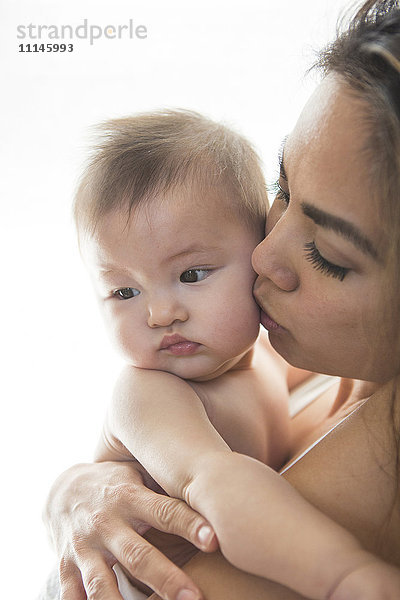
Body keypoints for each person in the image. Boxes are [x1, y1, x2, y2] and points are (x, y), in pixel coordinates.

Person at [42, 1, 400, 599]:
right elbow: (219, 481)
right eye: (282, 191)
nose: (264, 255)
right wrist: (66, 494)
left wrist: (350, 576)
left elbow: (229, 490)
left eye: (330, 255)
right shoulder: (172, 382)